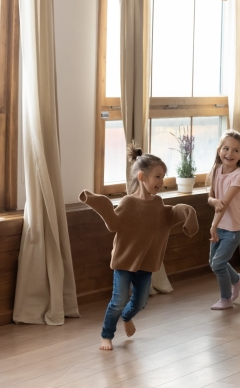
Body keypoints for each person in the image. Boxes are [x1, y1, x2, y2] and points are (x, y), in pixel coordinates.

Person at [79, 144, 199, 351]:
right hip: (124, 261)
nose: (161, 181)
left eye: (163, 177)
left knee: (141, 301)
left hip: (146, 263)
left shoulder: (158, 204)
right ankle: (106, 335)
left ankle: (127, 317)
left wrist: (186, 211)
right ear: (142, 177)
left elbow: (171, 214)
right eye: (157, 177)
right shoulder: (128, 202)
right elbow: (113, 224)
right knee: (118, 300)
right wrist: (99, 203)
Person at [205, 130, 240, 310]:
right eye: (226, 148)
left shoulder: (238, 176)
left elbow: (224, 204)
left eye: (235, 150)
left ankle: (226, 299)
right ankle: (237, 280)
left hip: (234, 228)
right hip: (220, 224)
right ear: (219, 150)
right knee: (214, 262)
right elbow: (212, 199)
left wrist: (213, 227)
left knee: (218, 263)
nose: (230, 153)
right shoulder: (217, 170)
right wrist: (215, 201)